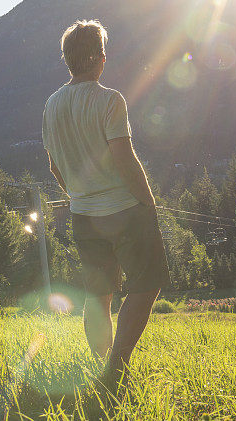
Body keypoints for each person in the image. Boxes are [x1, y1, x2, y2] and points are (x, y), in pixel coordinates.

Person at [42, 19, 170, 388]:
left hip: (83, 216)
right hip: (125, 211)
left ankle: (103, 368)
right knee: (146, 287)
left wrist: (78, 196)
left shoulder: (51, 105)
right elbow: (124, 158)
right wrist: (148, 203)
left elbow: (53, 165)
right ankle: (117, 366)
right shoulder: (109, 99)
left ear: (68, 59)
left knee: (98, 297)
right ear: (100, 57)